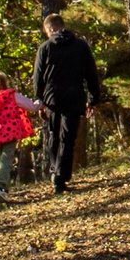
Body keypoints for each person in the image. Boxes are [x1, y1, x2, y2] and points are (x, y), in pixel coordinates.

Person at [30, 12, 105, 193]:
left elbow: (38, 77)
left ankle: (56, 173)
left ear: (52, 29)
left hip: (52, 98)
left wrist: (39, 100)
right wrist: (93, 99)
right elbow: (91, 74)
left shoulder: (45, 48)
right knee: (68, 138)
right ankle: (61, 176)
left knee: (54, 136)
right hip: (74, 96)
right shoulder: (81, 46)